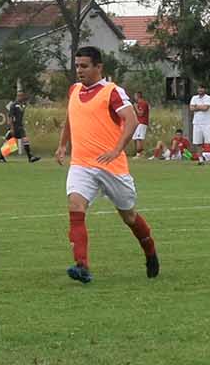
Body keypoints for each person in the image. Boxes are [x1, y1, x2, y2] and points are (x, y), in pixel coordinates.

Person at [56, 47, 159, 283]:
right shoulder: (74, 90)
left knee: (129, 216)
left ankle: (150, 251)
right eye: (77, 66)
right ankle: (82, 266)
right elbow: (70, 118)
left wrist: (116, 150)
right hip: (82, 164)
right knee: (75, 205)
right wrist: (62, 145)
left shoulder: (112, 91)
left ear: (98, 67)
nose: (79, 70)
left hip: (111, 167)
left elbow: (131, 120)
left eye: (84, 66)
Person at [0, 89, 39, 162]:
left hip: (20, 126)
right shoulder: (13, 105)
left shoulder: (22, 105)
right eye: (19, 95)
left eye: (21, 95)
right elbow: (10, 117)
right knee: (11, 143)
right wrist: (11, 128)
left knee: (24, 140)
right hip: (14, 126)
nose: (20, 97)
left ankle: (30, 157)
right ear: (17, 96)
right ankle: (1, 157)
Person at [188, 85, 210, 160]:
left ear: (205, 89)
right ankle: (200, 159)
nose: (200, 90)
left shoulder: (209, 98)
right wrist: (200, 107)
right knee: (198, 143)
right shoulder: (194, 98)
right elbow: (191, 108)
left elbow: (205, 108)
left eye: (202, 88)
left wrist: (196, 106)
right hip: (196, 123)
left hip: (206, 123)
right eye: (199, 88)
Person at [130, 91, 151, 159]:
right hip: (138, 123)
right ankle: (138, 153)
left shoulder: (143, 103)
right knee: (136, 138)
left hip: (142, 123)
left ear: (138, 96)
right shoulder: (138, 104)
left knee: (139, 138)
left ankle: (140, 154)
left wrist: (135, 107)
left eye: (135, 96)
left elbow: (140, 114)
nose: (134, 97)